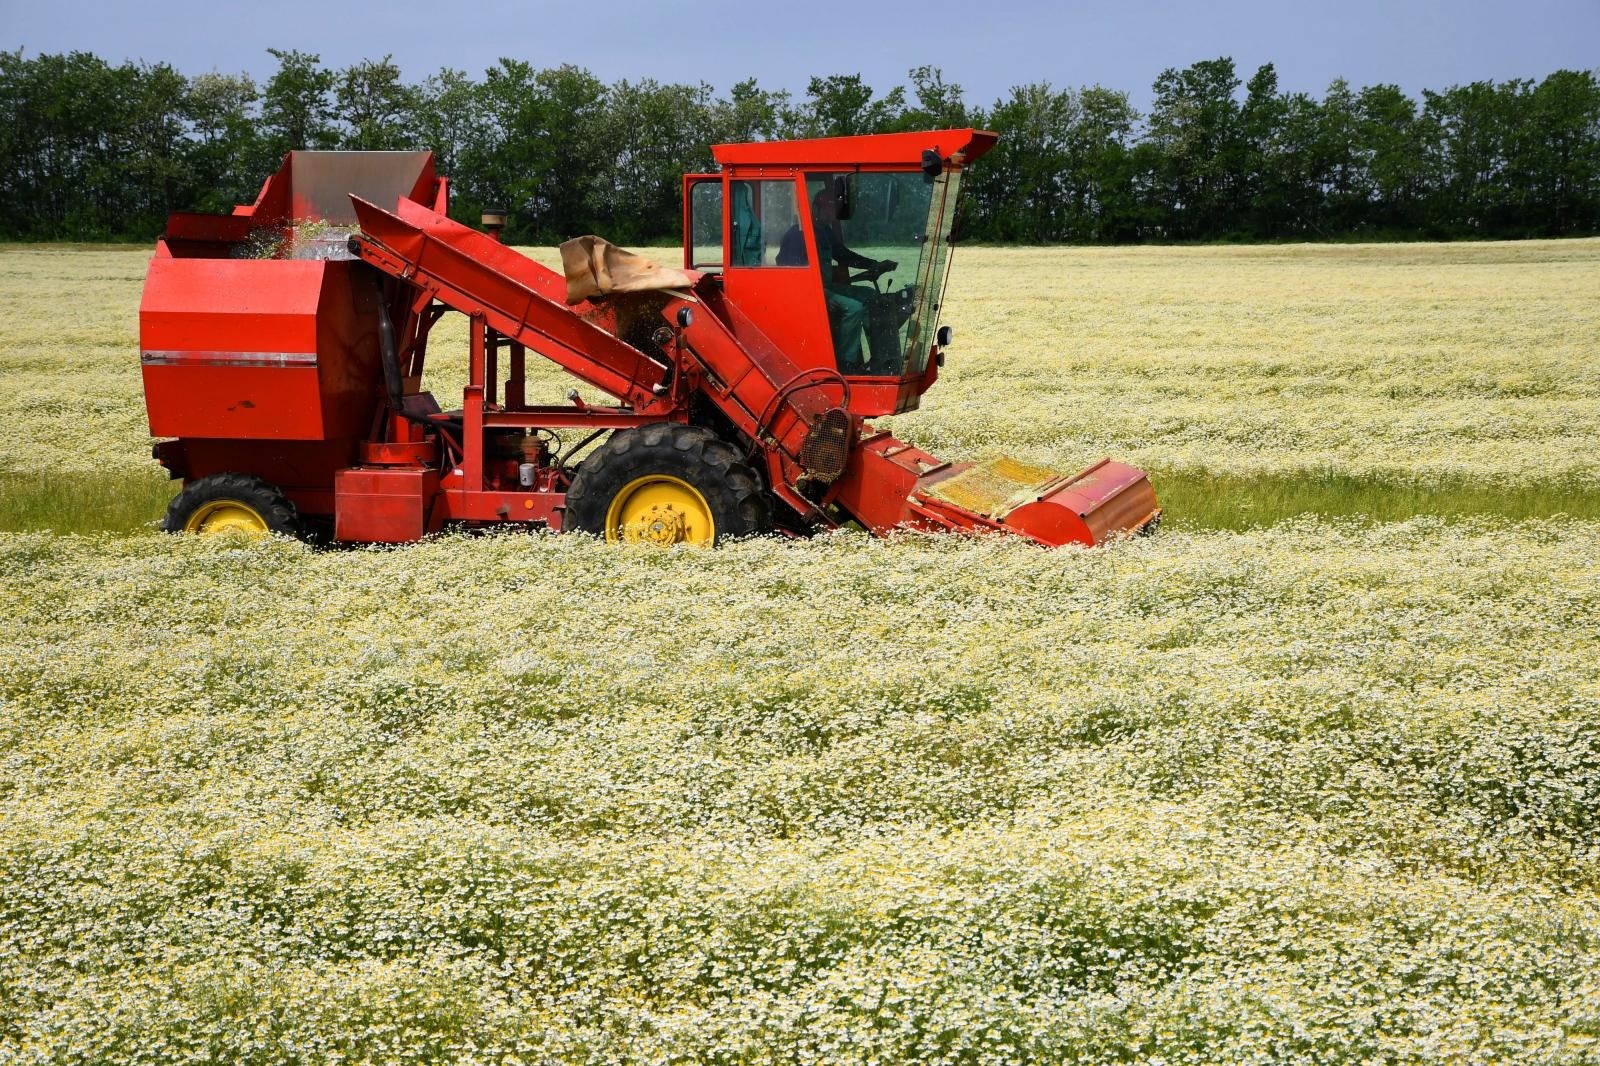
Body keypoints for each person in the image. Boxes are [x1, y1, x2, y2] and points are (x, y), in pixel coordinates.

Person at [810, 184, 895, 371]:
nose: (832, 215)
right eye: (828, 210)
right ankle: (846, 363)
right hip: (813, 291)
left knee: (871, 296)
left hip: (828, 286)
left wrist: (874, 264)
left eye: (833, 211)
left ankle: (880, 357)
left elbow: (842, 254)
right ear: (816, 209)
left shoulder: (824, 232)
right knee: (854, 307)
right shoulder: (801, 234)